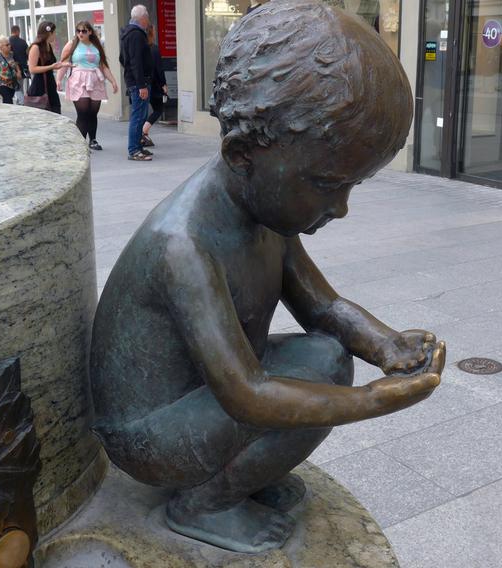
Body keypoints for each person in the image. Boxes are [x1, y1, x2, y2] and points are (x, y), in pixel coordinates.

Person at [90, 0, 445, 554]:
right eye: (329, 184)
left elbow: (325, 308)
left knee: (325, 356)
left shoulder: (265, 213)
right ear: (242, 156)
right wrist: (375, 400)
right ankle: (204, 502)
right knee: (320, 373)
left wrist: (387, 344)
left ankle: (241, 475)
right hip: (150, 434)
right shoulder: (182, 245)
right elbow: (248, 397)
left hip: (204, 399)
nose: (342, 207)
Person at [57, 20, 119, 151]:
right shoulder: (72, 45)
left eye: (83, 31)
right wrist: (58, 80)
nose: (80, 33)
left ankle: (93, 140)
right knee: (83, 112)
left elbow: (103, 66)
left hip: (95, 79)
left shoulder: (96, 45)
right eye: (78, 31)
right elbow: (63, 63)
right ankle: (80, 144)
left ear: (90, 32)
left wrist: (113, 81)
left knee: (92, 113)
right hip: (78, 81)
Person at [119, 5, 153, 161]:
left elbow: (123, 59)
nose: (148, 21)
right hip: (139, 82)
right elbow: (136, 61)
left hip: (135, 81)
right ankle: (134, 150)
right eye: (147, 18)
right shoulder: (136, 35)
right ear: (143, 18)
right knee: (138, 116)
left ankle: (138, 147)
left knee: (140, 115)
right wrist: (141, 85)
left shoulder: (128, 33)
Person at [27, 21, 69, 114]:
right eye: (54, 33)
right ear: (49, 33)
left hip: (50, 83)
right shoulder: (35, 47)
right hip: (40, 85)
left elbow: (50, 65)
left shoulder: (48, 46)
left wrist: (60, 65)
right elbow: (32, 69)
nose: (55, 35)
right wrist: (51, 66)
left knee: (55, 111)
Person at [140, 25, 167, 149]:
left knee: (142, 111)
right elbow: (159, 69)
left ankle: (143, 133)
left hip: (141, 83)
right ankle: (144, 132)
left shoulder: (139, 49)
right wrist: (163, 84)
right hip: (154, 84)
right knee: (158, 109)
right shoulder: (154, 49)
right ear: (152, 33)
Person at [0, 36, 23, 104]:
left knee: (8, 99)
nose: (9, 46)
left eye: (9, 44)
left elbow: (16, 65)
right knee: (8, 99)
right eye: (7, 45)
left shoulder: (13, 55)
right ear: (1, 47)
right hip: (1, 84)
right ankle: (10, 113)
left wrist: (19, 72)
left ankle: (5, 112)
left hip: (12, 82)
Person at [8, 25, 30, 103]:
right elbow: (28, 54)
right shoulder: (23, 42)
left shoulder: (7, 42)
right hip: (22, 67)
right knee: (19, 86)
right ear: (17, 31)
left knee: (15, 87)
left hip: (9, 68)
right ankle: (21, 102)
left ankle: (20, 102)